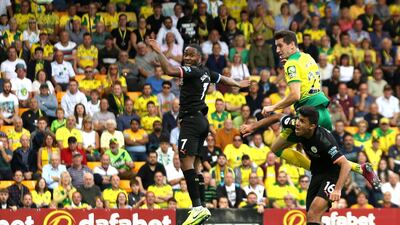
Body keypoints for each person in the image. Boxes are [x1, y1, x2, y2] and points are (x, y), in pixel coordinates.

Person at [147, 39, 249, 225]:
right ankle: (202, 209)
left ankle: (197, 208)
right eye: (185, 54)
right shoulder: (206, 72)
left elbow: (169, 71)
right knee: (195, 166)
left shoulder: (193, 71)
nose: (186, 58)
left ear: (199, 58)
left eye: (190, 55)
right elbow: (221, 78)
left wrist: (157, 50)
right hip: (201, 122)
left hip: (191, 121)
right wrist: (238, 84)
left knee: (186, 164)